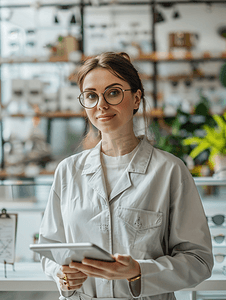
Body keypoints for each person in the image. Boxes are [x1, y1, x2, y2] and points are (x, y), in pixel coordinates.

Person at [39, 52, 213, 300]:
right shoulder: (68, 171)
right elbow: (50, 250)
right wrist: (63, 275)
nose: (101, 105)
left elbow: (199, 260)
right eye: (91, 95)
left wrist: (139, 271)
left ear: (136, 98)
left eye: (113, 93)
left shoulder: (170, 171)